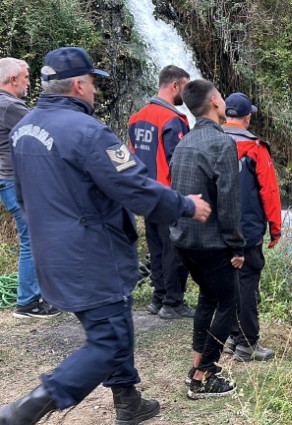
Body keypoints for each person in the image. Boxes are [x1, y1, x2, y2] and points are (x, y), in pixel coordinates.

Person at [0, 47, 211, 425]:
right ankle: (23, 412)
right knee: (109, 340)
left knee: (115, 324)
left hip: (53, 251)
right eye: (94, 83)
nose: (96, 91)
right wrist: (185, 205)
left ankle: (128, 401)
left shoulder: (23, 130)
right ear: (79, 85)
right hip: (91, 254)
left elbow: (20, 196)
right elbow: (134, 188)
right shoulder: (86, 132)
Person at [169, 79, 245, 399]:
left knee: (207, 298)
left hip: (183, 239)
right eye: (222, 96)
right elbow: (228, 201)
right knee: (229, 302)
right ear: (215, 102)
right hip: (212, 243)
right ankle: (205, 375)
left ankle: (198, 362)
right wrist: (237, 245)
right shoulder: (222, 143)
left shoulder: (184, 141)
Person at [128, 65, 193, 319]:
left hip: (145, 192)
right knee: (175, 249)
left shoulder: (136, 117)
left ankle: (158, 298)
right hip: (167, 194)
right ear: (174, 85)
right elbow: (178, 161)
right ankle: (173, 302)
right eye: (186, 87)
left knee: (156, 248)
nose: (187, 95)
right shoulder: (172, 119)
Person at [220, 93, 281, 362]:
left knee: (226, 281)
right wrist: (275, 228)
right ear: (247, 118)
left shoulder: (210, 141)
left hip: (216, 227)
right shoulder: (256, 148)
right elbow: (269, 191)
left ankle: (233, 337)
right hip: (247, 229)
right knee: (247, 282)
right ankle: (247, 343)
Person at [0, 57, 60, 319]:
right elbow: (43, 130)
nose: (28, 83)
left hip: (9, 179)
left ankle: (39, 294)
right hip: (15, 181)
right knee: (32, 240)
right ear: (13, 80)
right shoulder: (10, 106)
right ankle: (27, 302)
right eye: (26, 78)